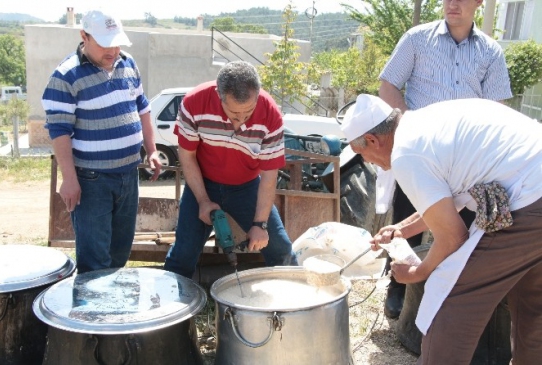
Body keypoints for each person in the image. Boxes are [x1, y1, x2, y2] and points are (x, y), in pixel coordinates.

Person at [341, 93, 542, 364]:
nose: (368, 162)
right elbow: (446, 204)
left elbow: (453, 236)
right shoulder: (426, 122)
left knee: (450, 297)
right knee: (532, 302)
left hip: (530, 199)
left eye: (361, 153)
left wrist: (417, 272)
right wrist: (401, 229)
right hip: (532, 184)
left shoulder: (406, 153)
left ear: (374, 140)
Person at [377, 0, 512, 318]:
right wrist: (410, 128)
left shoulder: (490, 52)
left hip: (466, 159)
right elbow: (388, 86)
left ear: (479, 3)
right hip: (421, 153)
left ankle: (445, 296)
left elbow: (497, 110)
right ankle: (398, 288)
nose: (453, 4)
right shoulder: (416, 39)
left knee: (459, 227)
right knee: (408, 215)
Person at [42, 9, 161, 274]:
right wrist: (69, 178)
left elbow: (142, 108)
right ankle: (91, 314)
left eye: (117, 42)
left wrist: (151, 150)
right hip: (91, 180)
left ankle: (114, 312)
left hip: (129, 175)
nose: (113, 50)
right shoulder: (65, 76)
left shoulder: (127, 63)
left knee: (119, 252)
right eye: (106, 44)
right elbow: (59, 131)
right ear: (84, 36)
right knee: (96, 261)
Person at [164, 60, 298, 278]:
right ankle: (174, 306)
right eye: (234, 114)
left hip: (247, 187)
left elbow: (269, 175)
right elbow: (187, 156)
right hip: (203, 183)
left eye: (248, 112)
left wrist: (260, 224)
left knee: (280, 247)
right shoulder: (194, 103)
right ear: (219, 94)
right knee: (184, 252)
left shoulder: (270, 112)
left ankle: (290, 306)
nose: (241, 121)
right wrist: (203, 201)